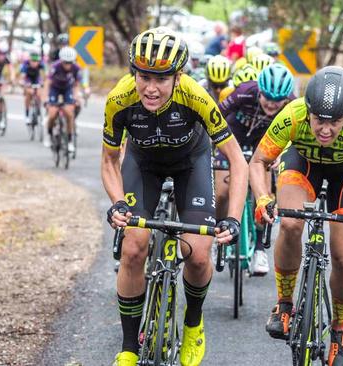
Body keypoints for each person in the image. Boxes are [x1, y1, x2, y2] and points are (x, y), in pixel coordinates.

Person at [102, 27, 248, 366]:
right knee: (134, 247)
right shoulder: (119, 99)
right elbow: (110, 161)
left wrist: (233, 218)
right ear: (133, 73)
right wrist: (118, 202)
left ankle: (194, 324)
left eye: (161, 79)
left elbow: (238, 162)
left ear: (177, 77)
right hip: (143, 165)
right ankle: (128, 347)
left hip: (190, 164)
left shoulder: (195, 96)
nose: (151, 88)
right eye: (144, 77)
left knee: (198, 255)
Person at [250, 66, 343, 366]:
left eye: (335, 123)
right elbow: (259, 161)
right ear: (308, 111)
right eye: (318, 120)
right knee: (290, 223)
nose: (325, 130)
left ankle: (339, 330)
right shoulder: (292, 114)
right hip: (303, 163)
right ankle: (284, 304)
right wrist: (264, 197)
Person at [216, 63, 295, 275]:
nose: (271, 104)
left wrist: (283, 154)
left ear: (286, 98)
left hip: (264, 142)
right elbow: (215, 115)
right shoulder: (244, 92)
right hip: (235, 136)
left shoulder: (292, 105)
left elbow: (296, 135)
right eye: (267, 98)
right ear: (259, 91)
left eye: (277, 101)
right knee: (222, 193)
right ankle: (220, 230)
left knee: (265, 194)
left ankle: (260, 248)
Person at [44, 46, 81, 152]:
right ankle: (49, 133)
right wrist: (45, 98)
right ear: (61, 60)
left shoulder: (76, 68)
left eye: (70, 62)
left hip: (67, 89)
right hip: (55, 89)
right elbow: (47, 82)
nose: (67, 65)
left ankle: (69, 141)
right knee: (52, 113)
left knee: (69, 113)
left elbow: (77, 85)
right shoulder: (55, 66)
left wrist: (76, 97)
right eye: (65, 62)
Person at [19, 50, 46, 125]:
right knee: (28, 93)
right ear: (29, 60)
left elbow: (44, 75)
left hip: (37, 79)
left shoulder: (41, 64)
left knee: (39, 94)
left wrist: (43, 82)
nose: (34, 63)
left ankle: (39, 111)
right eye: (32, 61)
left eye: (36, 61)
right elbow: (22, 76)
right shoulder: (25, 64)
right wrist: (22, 82)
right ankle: (27, 115)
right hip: (28, 79)